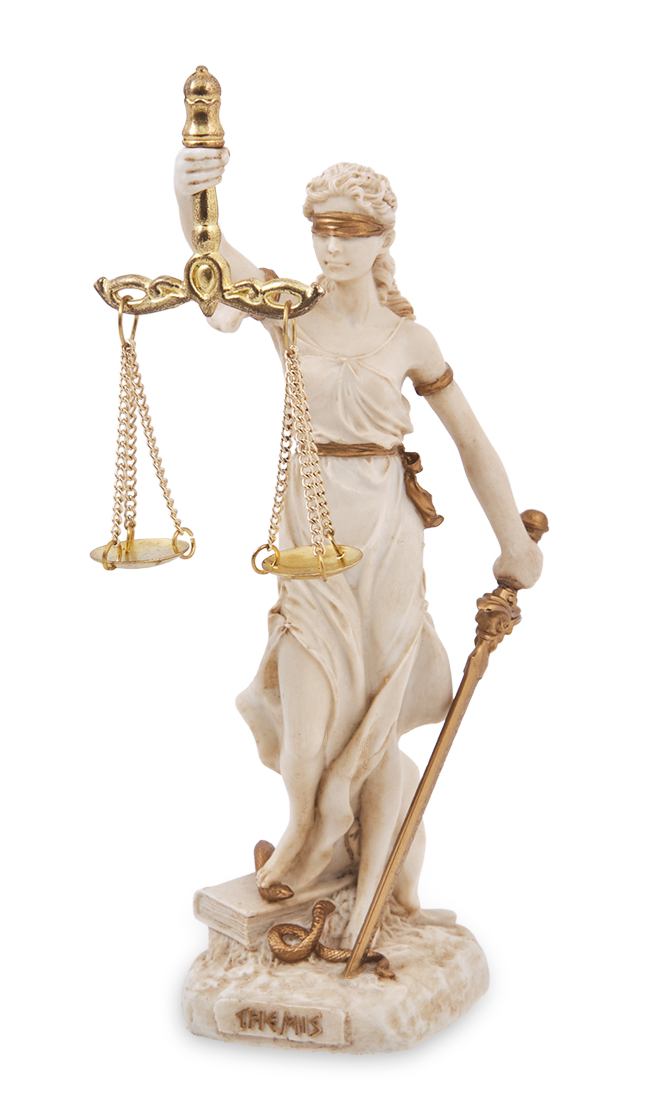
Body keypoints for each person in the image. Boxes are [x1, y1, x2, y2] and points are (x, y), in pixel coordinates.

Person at [174, 147, 543, 948]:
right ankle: (311, 837)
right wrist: (188, 192)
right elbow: (215, 258)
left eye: (350, 232)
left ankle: (372, 881)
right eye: (322, 231)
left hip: (386, 538)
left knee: (377, 719)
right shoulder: (287, 310)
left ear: (383, 240)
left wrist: (514, 541)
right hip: (311, 537)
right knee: (307, 740)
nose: (333, 247)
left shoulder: (410, 339)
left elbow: (473, 444)